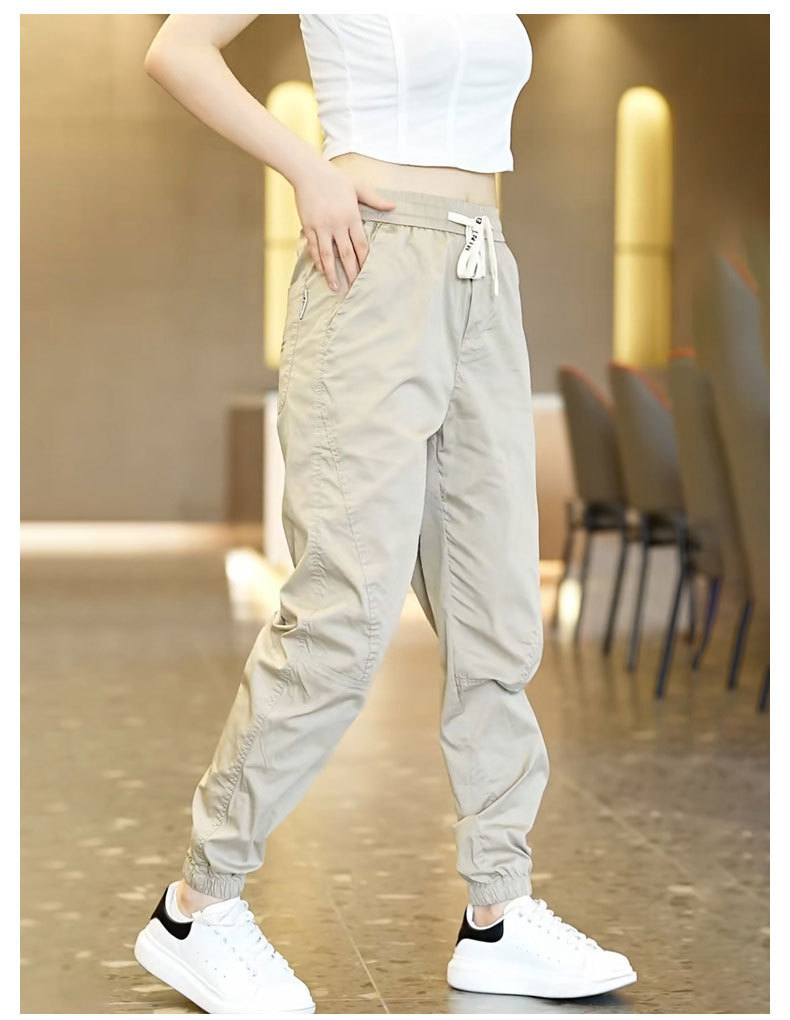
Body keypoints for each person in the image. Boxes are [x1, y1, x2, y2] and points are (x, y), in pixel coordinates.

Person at [133, 13, 636, 1014]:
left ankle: (497, 912)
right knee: (343, 612)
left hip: (483, 273)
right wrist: (304, 169)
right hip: (368, 264)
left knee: (497, 618)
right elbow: (177, 48)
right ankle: (198, 904)